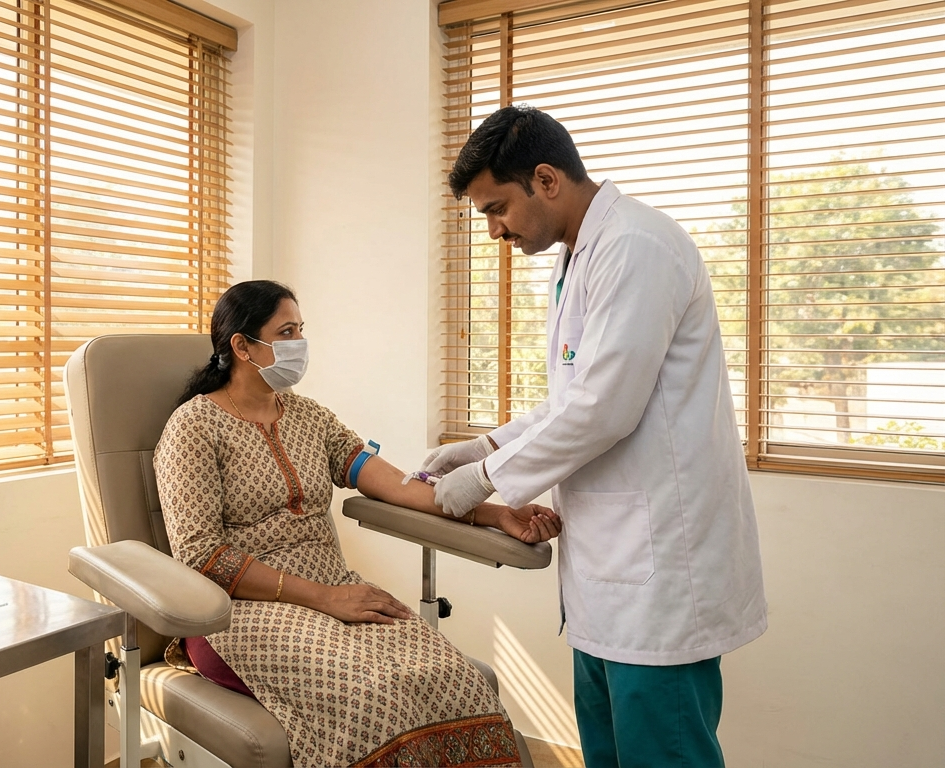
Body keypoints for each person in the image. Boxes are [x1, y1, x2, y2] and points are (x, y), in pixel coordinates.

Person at [425, 105, 768, 768]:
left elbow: (606, 407)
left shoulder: (637, 246)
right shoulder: (580, 257)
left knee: (662, 754)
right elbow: (572, 400)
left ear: (546, 180)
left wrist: (484, 481)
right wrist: (483, 448)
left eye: (496, 208)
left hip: (659, 575)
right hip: (610, 577)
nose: (493, 229)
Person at [154, 279, 561, 768]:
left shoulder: (309, 418)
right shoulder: (192, 428)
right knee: (372, 696)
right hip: (235, 612)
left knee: (452, 675)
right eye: (286, 332)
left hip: (337, 590)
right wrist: (325, 599)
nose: (299, 344)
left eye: (301, 330)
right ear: (241, 346)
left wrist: (492, 512)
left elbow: (398, 485)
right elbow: (201, 555)